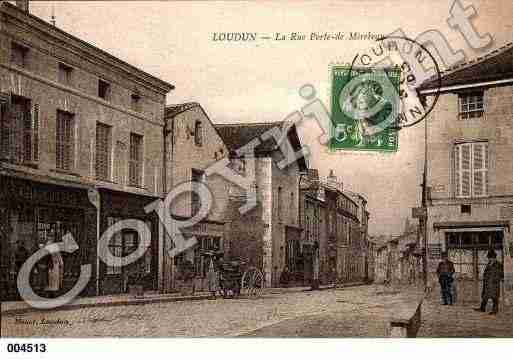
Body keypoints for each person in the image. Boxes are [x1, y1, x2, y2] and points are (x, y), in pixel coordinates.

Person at [474, 249, 504, 315]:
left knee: (495, 298)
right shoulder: (489, 264)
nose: (490, 259)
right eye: (489, 258)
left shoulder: (498, 265)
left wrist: (495, 280)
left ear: (494, 257)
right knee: (485, 296)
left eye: (491, 258)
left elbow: (501, 275)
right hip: (487, 284)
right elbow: (486, 273)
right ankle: (482, 308)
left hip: (494, 284)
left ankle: (495, 311)